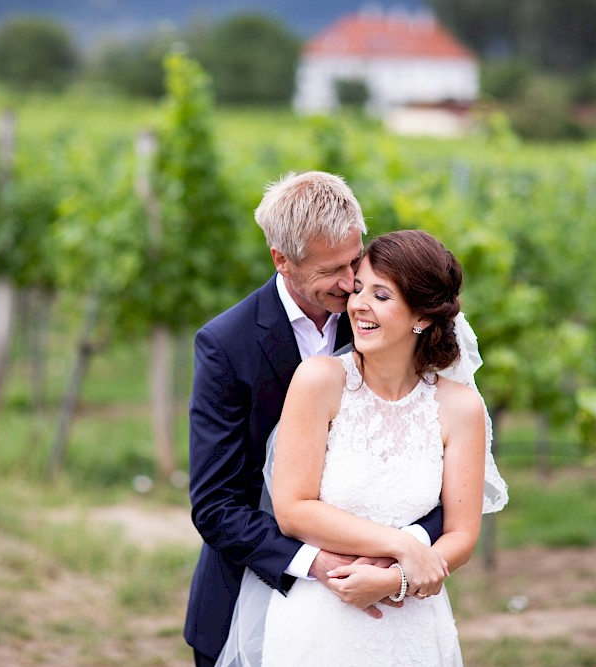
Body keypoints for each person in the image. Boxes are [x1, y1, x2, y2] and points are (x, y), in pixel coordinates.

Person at [185, 173, 446, 667]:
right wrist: (322, 566)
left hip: (391, 595)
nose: (351, 284)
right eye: (332, 271)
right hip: (256, 589)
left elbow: (434, 457)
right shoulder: (227, 345)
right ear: (281, 260)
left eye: (355, 260)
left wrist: (400, 553)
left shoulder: (384, 315)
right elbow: (216, 505)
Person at [220, 229, 508, 666]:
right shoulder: (321, 381)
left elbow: (462, 534)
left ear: (423, 317)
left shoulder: (460, 407)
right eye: (358, 289)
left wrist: (395, 580)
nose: (358, 305)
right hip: (320, 618)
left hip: (410, 624)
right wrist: (404, 546)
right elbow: (293, 509)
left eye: (381, 295)